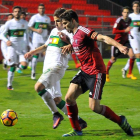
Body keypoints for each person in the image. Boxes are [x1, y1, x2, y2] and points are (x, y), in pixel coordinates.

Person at [59, 9, 134, 137]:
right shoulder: (74, 34)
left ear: (73, 21)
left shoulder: (84, 30)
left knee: (94, 107)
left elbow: (103, 38)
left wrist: (119, 46)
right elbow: (79, 42)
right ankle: (77, 130)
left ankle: (120, 120)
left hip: (96, 73)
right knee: (69, 98)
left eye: (66, 23)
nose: (64, 26)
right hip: (84, 71)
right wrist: (70, 46)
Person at [24, 8, 87, 130]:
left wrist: (68, 43)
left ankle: (56, 114)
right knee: (57, 100)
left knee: (38, 87)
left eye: (58, 21)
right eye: (55, 21)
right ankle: (79, 121)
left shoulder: (69, 32)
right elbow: (45, 46)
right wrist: (32, 52)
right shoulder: (53, 31)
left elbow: (77, 46)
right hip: (48, 68)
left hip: (57, 66)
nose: (56, 24)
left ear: (64, 20)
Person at [0, 6, 28, 90]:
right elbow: (1, 34)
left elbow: (26, 35)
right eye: (15, 11)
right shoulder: (9, 23)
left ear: (21, 12)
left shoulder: (25, 23)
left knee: (24, 65)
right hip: (12, 48)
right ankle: (9, 85)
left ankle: (16, 64)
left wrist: (26, 44)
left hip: (21, 48)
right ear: (13, 13)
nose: (17, 13)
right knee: (12, 66)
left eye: (18, 11)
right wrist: (6, 40)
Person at [106, 6, 136, 82]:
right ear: (122, 13)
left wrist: (130, 33)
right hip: (117, 43)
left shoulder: (130, 20)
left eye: (127, 12)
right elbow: (114, 31)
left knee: (132, 55)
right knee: (113, 59)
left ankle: (129, 73)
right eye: (124, 12)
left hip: (126, 42)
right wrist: (124, 31)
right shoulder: (119, 20)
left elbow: (128, 29)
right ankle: (106, 73)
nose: (126, 14)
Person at [28, 3, 51, 79]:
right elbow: (29, 27)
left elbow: (49, 28)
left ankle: (46, 73)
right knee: (36, 55)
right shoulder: (34, 17)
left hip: (45, 39)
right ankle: (33, 72)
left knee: (47, 56)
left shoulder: (47, 18)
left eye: (43, 8)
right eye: (40, 8)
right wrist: (36, 30)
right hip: (36, 39)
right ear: (38, 9)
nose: (41, 10)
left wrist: (49, 34)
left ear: (44, 9)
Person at [128, 1, 140, 75]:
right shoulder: (130, 16)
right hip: (133, 37)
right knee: (138, 55)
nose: (136, 7)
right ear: (133, 8)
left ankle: (126, 70)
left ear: (139, 7)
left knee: (133, 56)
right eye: (134, 6)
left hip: (139, 36)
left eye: (137, 6)